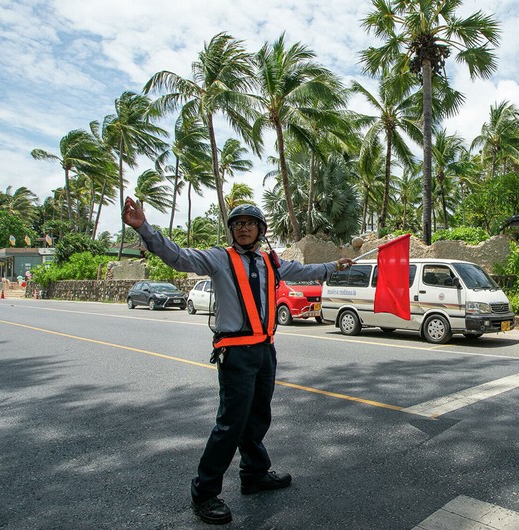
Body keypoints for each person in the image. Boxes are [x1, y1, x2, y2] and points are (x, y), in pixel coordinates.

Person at [122, 197, 355, 525]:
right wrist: (142, 228)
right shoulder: (219, 258)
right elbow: (176, 256)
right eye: (237, 224)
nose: (243, 228)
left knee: (258, 416)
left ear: (261, 230)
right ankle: (204, 492)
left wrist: (334, 266)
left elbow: (303, 270)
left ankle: (254, 474)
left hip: (264, 350)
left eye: (250, 223)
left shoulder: (269, 261)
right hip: (236, 353)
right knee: (231, 422)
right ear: (231, 231)